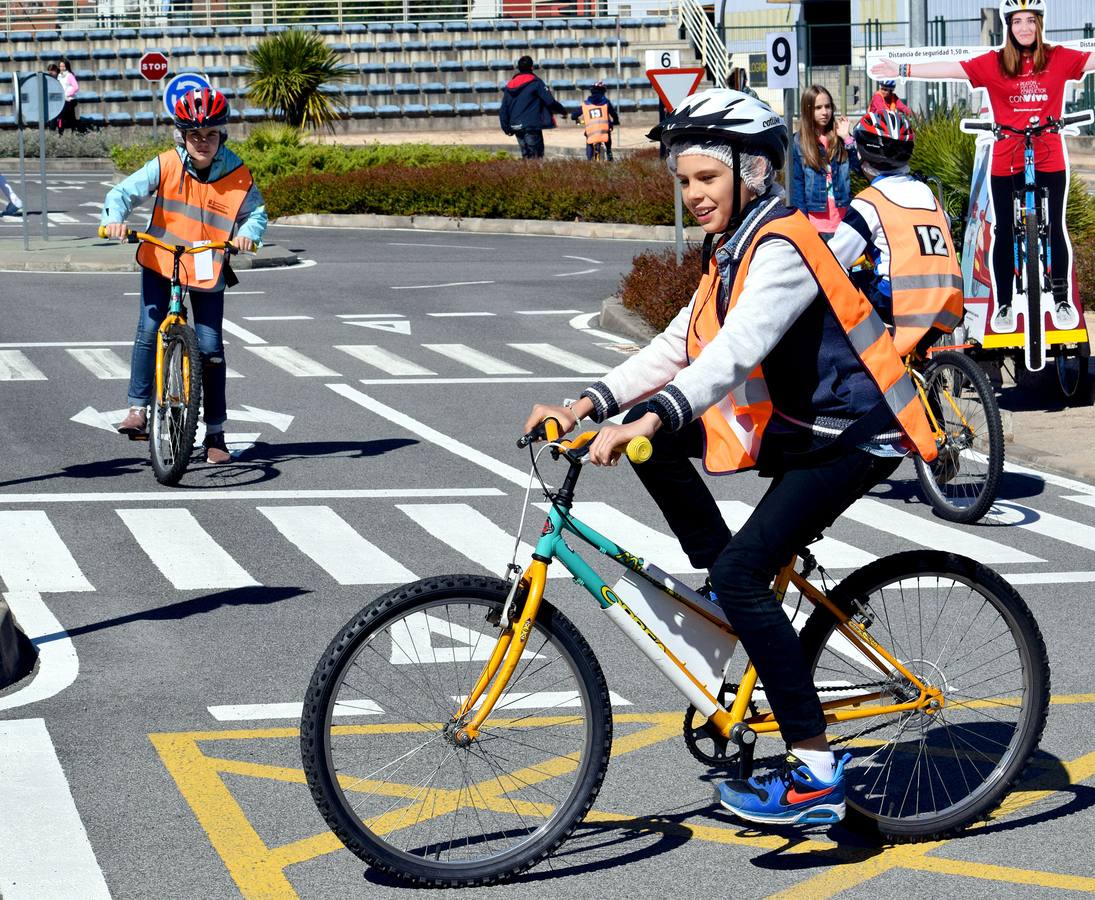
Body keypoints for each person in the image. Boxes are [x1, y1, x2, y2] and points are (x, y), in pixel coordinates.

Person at [524, 89, 937, 827]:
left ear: (751, 171)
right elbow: (678, 343)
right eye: (683, 181)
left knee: (743, 568)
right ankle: (729, 597)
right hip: (800, 423)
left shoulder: (780, 246)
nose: (692, 193)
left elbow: (731, 354)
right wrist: (587, 403)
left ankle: (814, 773)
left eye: (704, 178)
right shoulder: (734, 245)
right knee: (661, 456)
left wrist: (644, 416)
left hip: (854, 431)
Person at [871, 0, 1095, 332]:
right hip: (1006, 158)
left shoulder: (1058, 58)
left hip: (1049, 155)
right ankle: (1004, 304)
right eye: (1017, 21)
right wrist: (902, 71)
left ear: (1039, 23)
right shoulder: (994, 63)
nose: (1024, 28)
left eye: (1030, 21)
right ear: (1009, 26)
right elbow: (952, 68)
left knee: (1055, 229)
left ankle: (1061, 299)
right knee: (1005, 228)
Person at [101, 88, 267, 464]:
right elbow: (122, 193)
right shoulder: (166, 164)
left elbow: (256, 214)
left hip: (207, 263)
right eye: (195, 135)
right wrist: (113, 219)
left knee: (210, 349)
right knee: (149, 329)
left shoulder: (237, 173)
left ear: (221, 135)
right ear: (182, 136)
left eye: (211, 135)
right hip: (162, 258)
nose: (203, 142)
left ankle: (216, 434)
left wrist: (248, 236)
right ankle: (138, 409)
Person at [829, 111, 964, 356]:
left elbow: (835, 258)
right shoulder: (926, 192)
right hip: (948, 299)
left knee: (844, 285)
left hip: (902, 301)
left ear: (863, 156)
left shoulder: (868, 203)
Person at [791, 85, 858, 238]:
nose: (825, 112)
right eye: (818, 107)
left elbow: (859, 170)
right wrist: (803, 224)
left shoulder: (840, 137)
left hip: (844, 222)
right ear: (808, 110)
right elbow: (798, 186)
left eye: (828, 106)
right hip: (816, 226)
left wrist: (847, 138)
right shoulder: (799, 142)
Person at [499, 55, 567, 160]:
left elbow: (504, 108)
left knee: (526, 157)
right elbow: (550, 101)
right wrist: (563, 111)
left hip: (516, 126)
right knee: (536, 158)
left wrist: (505, 127)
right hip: (531, 126)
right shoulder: (536, 82)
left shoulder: (510, 85)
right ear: (531, 68)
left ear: (519, 68)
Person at [570, 81, 620, 160]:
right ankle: (609, 153)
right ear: (603, 91)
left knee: (589, 141)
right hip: (604, 130)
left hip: (591, 130)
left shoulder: (586, 104)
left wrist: (575, 119)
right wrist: (616, 121)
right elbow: (613, 114)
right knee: (607, 135)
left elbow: (574, 115)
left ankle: (589, 160)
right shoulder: (606, 102)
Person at [55, 59, 79, 135]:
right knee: (69, 117)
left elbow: (76, 87)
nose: (61, 68)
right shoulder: (59, 75)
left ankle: (62, 132)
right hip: (62, 100)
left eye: (63, 66)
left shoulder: (70, 75)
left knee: (61, 116)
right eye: (60, 66)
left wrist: (67, 94)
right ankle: (65, 131)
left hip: (70, 100)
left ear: (66, 66)